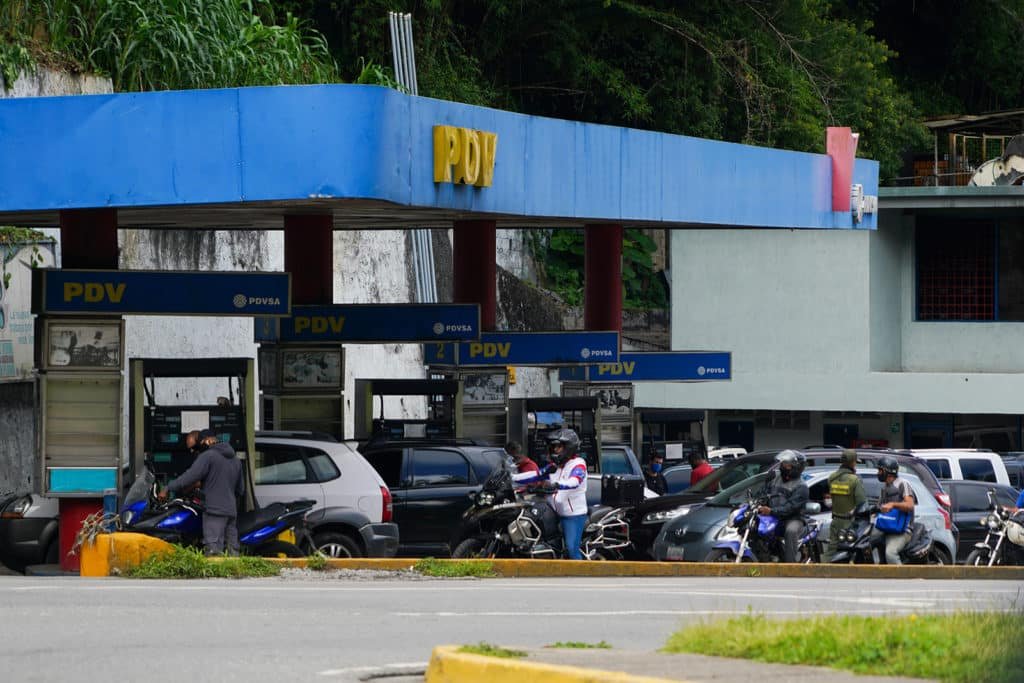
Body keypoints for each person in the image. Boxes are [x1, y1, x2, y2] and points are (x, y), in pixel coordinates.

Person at [159, 429, 245, 556]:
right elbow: (240, 489)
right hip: (231, 512)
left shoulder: (208, 456)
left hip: (214, 511)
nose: (196, 450)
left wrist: (168, 487)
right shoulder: (236, 460)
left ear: (207, 440)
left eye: (199, 445)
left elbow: (189, 477)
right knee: (232, 553)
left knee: (214, 553)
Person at [513, 428, 588, 559]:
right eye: (553, 447)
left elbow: (575, 481)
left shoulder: (578, 464)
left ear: (569, 447)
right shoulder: (554, 466)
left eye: (559, 447)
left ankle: (581, 570)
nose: (555, 450)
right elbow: (536, 474)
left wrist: (557, 485)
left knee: (571, 549)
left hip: (572, 515)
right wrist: (512, 477)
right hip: (552, 512)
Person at [757, 449, 809, 562]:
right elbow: (763, 494)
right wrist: (758, 502)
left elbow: (790, 508)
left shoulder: (801, 486)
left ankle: (790, 564)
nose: (783, 467)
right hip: (774, 516)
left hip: (793, 518)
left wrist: (771, 511)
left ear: (796, 467)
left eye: (787, 465)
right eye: (783, 464)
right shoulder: (775, 480)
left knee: (791, 531)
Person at [869, 455, 915, 565]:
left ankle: (900, 575)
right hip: (887, 526)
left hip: (902, 529)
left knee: (890, 553)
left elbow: (910, 505)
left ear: (888, 471)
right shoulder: (885, 488)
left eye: (880, 470)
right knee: (866, 542)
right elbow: (879, 507)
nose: (878, 473)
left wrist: (893, 505)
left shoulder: (902, 483)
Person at [827, 449, 867, 560]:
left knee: (832, 551)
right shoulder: (855, 480)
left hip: (835, 521)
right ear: (853, 462)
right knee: (851, 553)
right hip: (849, 523)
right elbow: (862, 503)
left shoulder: (832, 477)